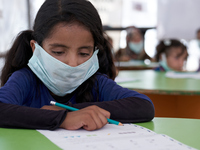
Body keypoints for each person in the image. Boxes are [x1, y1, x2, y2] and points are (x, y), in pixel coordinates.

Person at [0, 0, 154, 131]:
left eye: (83, 53)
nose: (72, 63)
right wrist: (63, 118)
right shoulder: (25, 79)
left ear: (95, 52)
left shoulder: (95, 83)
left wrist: (73, 111)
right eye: (58, 52)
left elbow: (144, 106)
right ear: (35, 48)